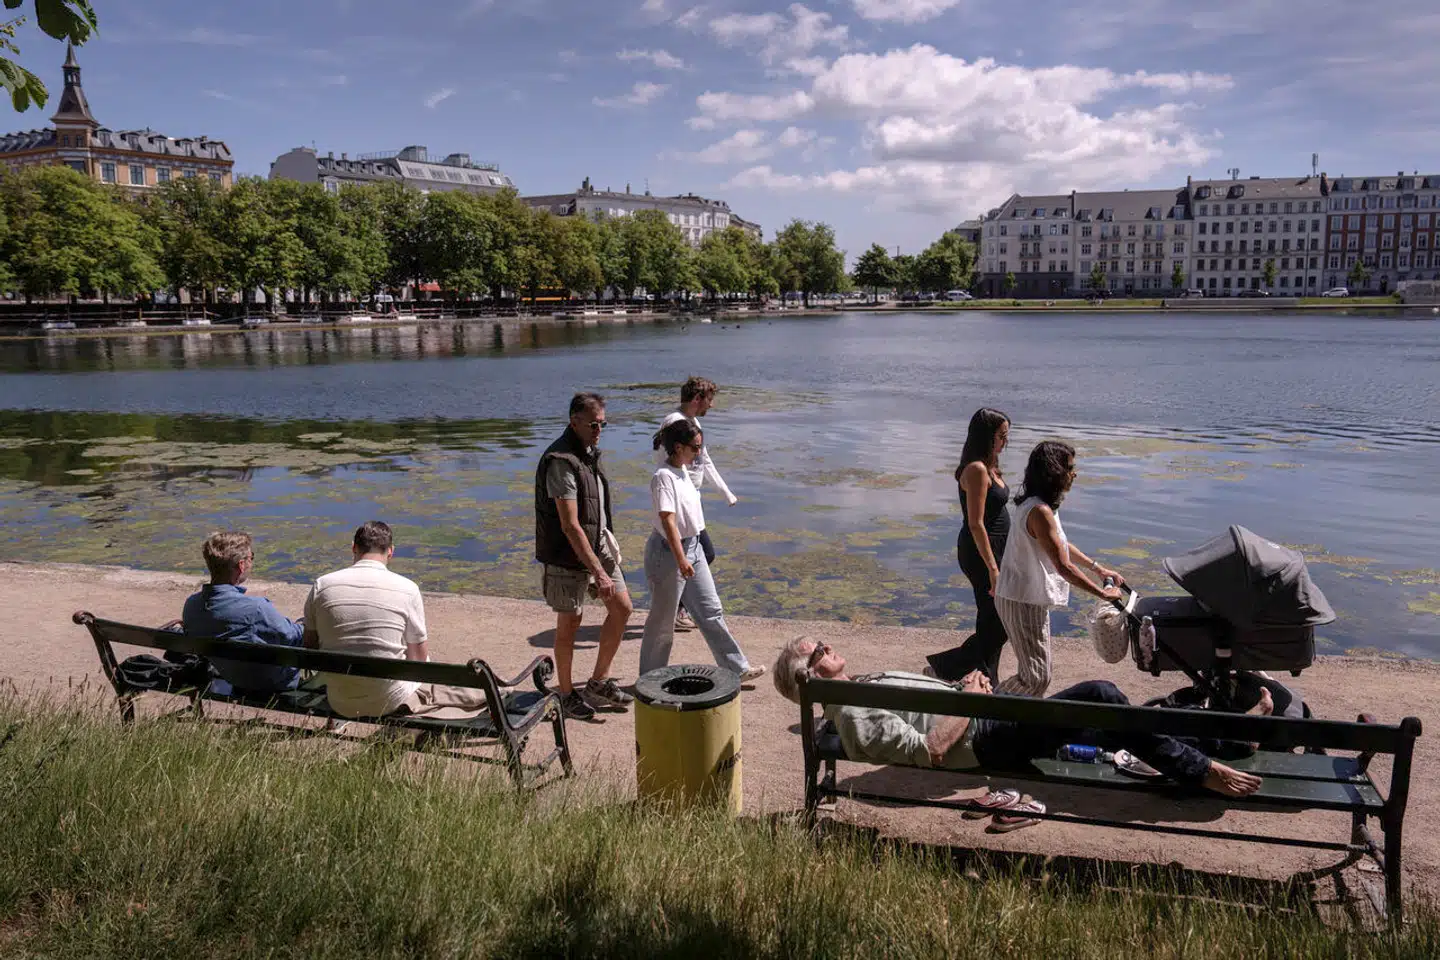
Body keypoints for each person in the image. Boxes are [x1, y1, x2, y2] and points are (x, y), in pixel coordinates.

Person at [772, 637, 1267, 802]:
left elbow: (933, 709)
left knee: (1115, 718)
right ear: (809, 674)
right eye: (817, 648)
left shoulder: (855, 687)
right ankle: (1205, 770)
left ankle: (1226, 743)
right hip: (984, 741)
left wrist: (968, 688)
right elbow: (933, 752)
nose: (826, 643)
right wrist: (969, 699)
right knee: (1101, 693)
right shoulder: (853, 712)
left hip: (982, 719)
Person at [304, 521, 485, 720]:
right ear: (390, 552)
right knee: (420, 656)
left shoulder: (322, 585)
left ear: (353, 548)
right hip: (388, 700)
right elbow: (418, 660)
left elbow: (310, 647)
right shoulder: (407, 589)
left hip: (339, 700)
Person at [993, 441, 1123, 697]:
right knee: (1036, 677)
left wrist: (1099, 569)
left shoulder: (1041, 505)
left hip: (1025, 597)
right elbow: (1063, 566)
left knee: (1038, 674)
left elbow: (1061, 545)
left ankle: (1008, 716)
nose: (1074, 474)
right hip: (1020, 599)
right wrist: (1101, 593)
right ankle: (984, 710)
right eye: (1070, 468)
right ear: (1054, 471)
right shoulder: (1039, 511)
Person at [639, 418, 764, 682]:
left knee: (711, 611)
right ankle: (649, 680)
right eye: (695, 448)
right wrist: (680, 558)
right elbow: (667, 519)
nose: (699, 453)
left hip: (693, 547)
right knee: (663, 623)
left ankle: (736, 669)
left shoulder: (685, 470)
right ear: (677, 447)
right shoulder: (663, 477)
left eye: (700, 447)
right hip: (669, 554)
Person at [534, 392, 634, 720]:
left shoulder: (589, 453)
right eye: (593, 424)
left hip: (598, 544)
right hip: (567, 553)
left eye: (603, 423)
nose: (599, 429)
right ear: (573, 421)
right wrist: (599, 573)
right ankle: (565, 694)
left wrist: (605, 551)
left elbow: (594, 513)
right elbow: (570, 525)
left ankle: (598, 681)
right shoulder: (561, 460)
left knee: (622, 608)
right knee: (570, 624)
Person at [927, 408, 1012, 685]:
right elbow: (976, 523)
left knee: (997, 621)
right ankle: (946, 668)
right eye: (1001, 436)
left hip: (998, 549)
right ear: (986, 436)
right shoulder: (976, 469)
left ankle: (987, 679)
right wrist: (993, 568)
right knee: (995, 621)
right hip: (980, 552)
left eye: (1006, 436)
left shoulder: (990, 466)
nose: (1005, 442)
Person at [658, 376, 737, 632]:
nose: (711, 405)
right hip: (679, 504)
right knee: (703, 554)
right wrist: (672, 497)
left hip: (692, 502)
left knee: (697, 555)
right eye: (709, 400)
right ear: (696, 399)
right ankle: (676, 609)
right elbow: (662, 463)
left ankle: (674, 609)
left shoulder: (692, 422)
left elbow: (706, 462)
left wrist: (726, 493)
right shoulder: (674, 424)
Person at [182, 530, 305, 695]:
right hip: (273, 682)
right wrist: (304, 624)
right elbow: (293, 636)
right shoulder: (255, 609)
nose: (251, 562)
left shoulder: (192, 605)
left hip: (230, 676)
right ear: (241, 565)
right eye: (250, 558)